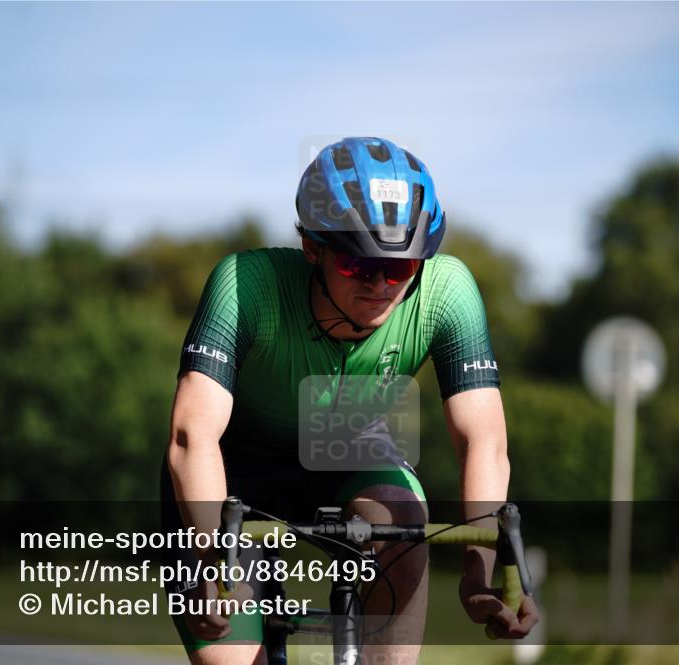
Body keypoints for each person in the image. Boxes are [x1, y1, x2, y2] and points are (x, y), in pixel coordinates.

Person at [161, 136, 538, 665]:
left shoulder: (447, 292)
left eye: (401, 268)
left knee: (406, 520)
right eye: (358, 266)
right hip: (229, 473)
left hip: (346, 450)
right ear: (313, 247)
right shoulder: (247, 285)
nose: (381, 284)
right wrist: (207, 559)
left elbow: (484, 442)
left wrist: (480, 569)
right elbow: (191, 435)